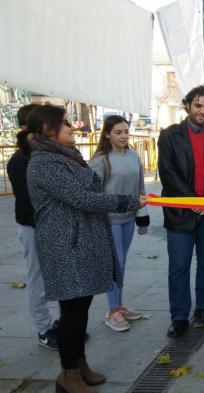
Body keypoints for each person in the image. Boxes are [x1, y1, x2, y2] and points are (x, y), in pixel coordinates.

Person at [25, 105, 146, 393]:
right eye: (64, 124)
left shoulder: (66, 157)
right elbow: (81, 198)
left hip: (82, 242)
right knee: (72, 313)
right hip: (65, 245)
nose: (71, 128)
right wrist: (127, 202)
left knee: (81, 309)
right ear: (48, 130)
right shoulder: (44, 163)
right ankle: (68, 376)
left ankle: (79, 365)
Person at [157, 85, 204, 338]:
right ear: (188, 105)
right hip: (181, 213)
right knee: (179, 267)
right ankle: (179, 316)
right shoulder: (169, 136)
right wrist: (192, 200)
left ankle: (203, 307)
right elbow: (167, 173)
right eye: (198, 105)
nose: (202, 111)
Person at [88, 115, 150, 332]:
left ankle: (119, 304)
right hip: (108, 221)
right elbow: (92, 195)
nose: (124, 136)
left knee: (121, 265)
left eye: (126, 131)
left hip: (128, 219)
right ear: (107, 134)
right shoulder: (100, 160)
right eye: (118, 132)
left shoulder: (133, 156)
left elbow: (140, 188)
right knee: (116, 264)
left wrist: (143, 216)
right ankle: (112, 311)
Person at [7, 103, 60, 350]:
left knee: (60, 278)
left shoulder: (50, 154)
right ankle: (43, 327)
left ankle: (62, 324)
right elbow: (31, 201)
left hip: (54, 226)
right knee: (37, 279)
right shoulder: (21, 160)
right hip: (33, 227)